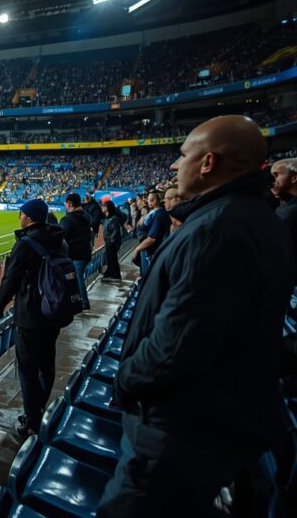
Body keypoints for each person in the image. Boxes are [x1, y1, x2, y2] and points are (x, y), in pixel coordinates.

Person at [98, 116, 295, 517]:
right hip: (207, 424)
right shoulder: (258, 220)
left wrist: (126, 378)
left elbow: (177, 345)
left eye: (183, 154)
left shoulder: (216, 231)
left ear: (208, 163)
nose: (174, 166)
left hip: (176, 433)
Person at [0, 198, 72, 436]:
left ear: (31, 217)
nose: (19, 217)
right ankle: (40, 407)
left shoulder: (25, 244)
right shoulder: (60, 240)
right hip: (53, 312)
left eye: (22, 213)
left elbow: (10, 280)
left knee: (27, 370)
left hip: (30, 316)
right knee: (47, 364)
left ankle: (32, 421)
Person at [59, 193, 93, 310]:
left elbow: (60, 237)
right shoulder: (86, 216)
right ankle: (77, 300)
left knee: (77, 278)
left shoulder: (68, 219)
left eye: (65, 203)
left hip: (75, 254)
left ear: (70, 203)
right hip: (85, 252)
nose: (64, 205)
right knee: (77, 278)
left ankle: (83, 302)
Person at [130, 191, 168, 277]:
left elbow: (152, 238)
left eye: (152, 200)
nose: (150, 202)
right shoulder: (153, 211)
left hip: (150, 249)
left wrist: (137, 249)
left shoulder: (159, 213)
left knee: (147, 274)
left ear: (159, 200)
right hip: (146, 247)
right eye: (149, 199)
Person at [271, 158, 297, 251]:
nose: (274, 182)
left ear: (294, 178)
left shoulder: (291, 212)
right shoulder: (285, 207)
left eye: (276, 175)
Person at [100, 200, 125, 281]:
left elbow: (115, 231)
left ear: (108, 208)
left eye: (104, 206)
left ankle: (114, 275)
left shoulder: (113, 219)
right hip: (109, 241)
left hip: (111, 242)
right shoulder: (108, 218)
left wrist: (112, 241)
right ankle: (113, 274)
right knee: (111, 259)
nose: (102, 207)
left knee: (112, 259)